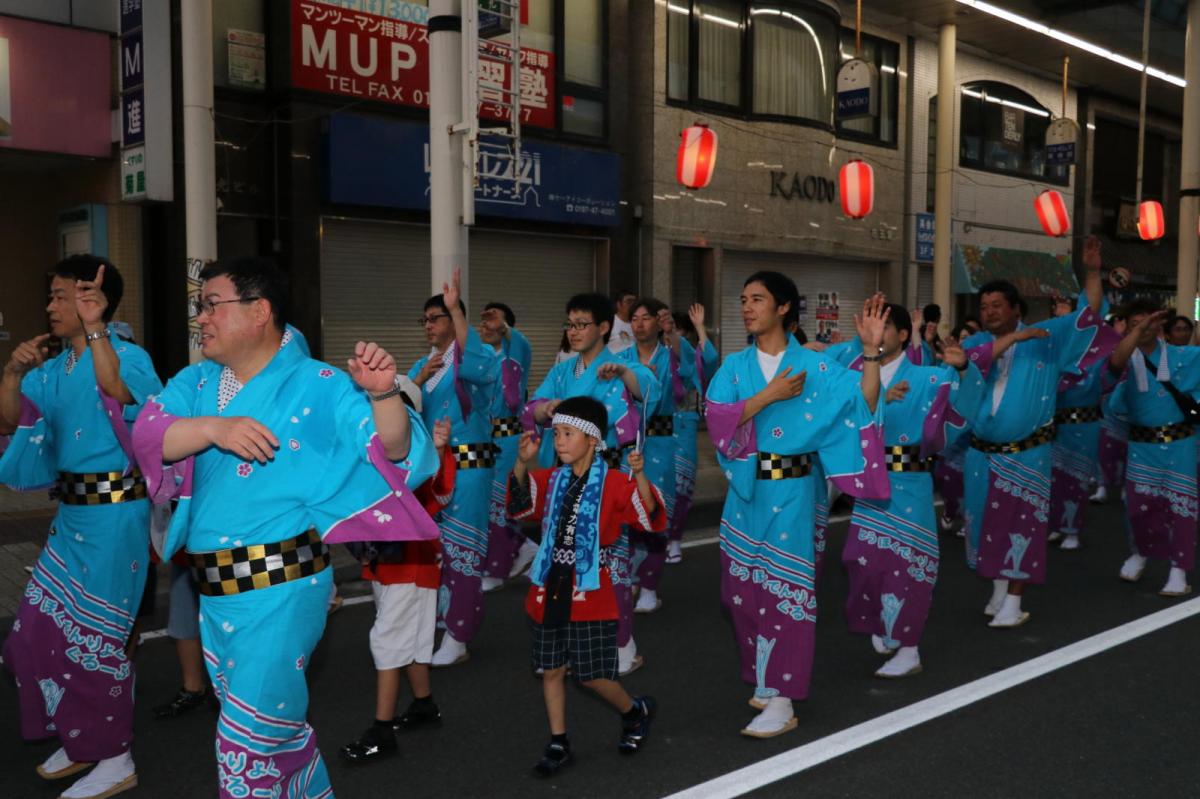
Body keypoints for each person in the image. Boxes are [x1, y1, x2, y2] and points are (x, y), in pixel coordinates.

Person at [132, 256, 439, 799]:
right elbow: (150, 436)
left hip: (282, 588)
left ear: (260, 312)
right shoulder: (196, 381)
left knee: (246, 746)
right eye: (200, 307)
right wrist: (214, 428)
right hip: (216, 594)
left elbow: (394, 452)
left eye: (212, 305)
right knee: (276, 734)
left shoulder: (319, 383)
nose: (201, 318)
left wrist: (383, 395)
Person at [0, 256, 161, 799]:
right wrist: (12, 374)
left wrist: (97, 333)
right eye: (51, 295)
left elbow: (126, 396)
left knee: (97, 641)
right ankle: (82, 737)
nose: (51, 305)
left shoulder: (128, 356)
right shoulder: (53, 369)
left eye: (61, 295)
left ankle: (115, 757)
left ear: (96, 301)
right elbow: (11, 420)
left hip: (115, 517)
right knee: (33, 634)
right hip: (71, 517)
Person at [705, 274, 891, 738]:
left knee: (784, 592)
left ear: (784, 307)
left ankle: (782, 698)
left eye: (758, 299)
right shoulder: (733, 367)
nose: (747, 307)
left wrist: (871, 353)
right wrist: (768, 396)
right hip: (744, 494)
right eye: (743, 299)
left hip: (793, 492)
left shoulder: (816, 366)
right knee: (738, 593)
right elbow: (717, 419)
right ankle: (766, 675)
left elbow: (862, 405)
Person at [824, 303, 985, 678]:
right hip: (869, 485)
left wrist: (964, 369)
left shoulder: (929, 377)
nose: (877, 335)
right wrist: (878, 398)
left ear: (901, 334)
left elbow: (964, 405)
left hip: (909, 482)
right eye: (872, 327)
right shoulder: (856, 374)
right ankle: (886, 623)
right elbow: (835, 418)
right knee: (861, 560)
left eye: (884, 327)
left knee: (906, 566)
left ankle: (909, 648)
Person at [507, 396, 663, 775]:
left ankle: (634, 710)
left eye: (568, 434)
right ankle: (558, 741)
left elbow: (650, 516)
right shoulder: (551, 479)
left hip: (590, 588)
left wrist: (640, 475)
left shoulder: (615, 483)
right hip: (550, 584)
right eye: (556, 433)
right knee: (551, 668)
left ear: (593, 439)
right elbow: (520, 505)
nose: (558, 441)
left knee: (592, 675)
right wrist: (522, 463)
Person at [959, 236, 1105, 628]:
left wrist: (1093, 273)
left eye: (996, 305)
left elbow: (1087, 315)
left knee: (1021, 524)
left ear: (1016, 309)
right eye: (983, 307)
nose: (989, 312)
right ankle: (998, 589)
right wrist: (1012, 339)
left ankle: (1014, 600)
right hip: (981, 453)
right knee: (983, 522)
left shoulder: (1046, 338)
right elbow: (968, 366)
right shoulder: (976, 343)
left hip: (1027, 453)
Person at [522, 292, 657, 675]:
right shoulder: (563, 370)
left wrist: (625, 374)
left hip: (604, 479)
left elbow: (649, 389)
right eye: (570, 324)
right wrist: (545, 409)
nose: (574, 331)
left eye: (582, 324)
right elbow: (534, 406)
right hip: (567, 480)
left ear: (603, 327)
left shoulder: (620, 363)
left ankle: (623, 643)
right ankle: (565, 640)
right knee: (562, 558)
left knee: (609, 562)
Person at [341, 406, 455, 764]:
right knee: (409, 637)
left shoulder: (417, 459)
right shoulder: (373, 457)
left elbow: (439, 492)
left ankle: (382, 730)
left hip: (411, 564)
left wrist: (438, 451)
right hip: (390, 565)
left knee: (388, 641)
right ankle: (424, 704)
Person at [408, 269, 501, 667]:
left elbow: (481, 367)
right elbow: (400, 413)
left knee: (463, 549)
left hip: (469, 466)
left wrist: (457, 310)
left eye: (437, 318)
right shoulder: (423, 364)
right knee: (436, 550)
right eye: (425, 319)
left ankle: (459, 635)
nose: (429, 325)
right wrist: (415, 381)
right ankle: (441, 619)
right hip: (433, 471)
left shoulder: (473, 360)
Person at [1107, 301, 1200, 595]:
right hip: (1141, 444)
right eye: (1136, 324)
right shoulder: (1123, 359)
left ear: (1159, 324)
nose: (1144, 328)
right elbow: (1111, 374)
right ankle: (1140, 551)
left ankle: (1179, 569)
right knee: (1139, 506)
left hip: (1179, 443)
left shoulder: (1183, 356)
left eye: (1148, 322)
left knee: (1181, 507)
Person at [1048, 296, 1121, 550]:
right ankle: (1055, 525)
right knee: (1053, 478)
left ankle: (1072, 529)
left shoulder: (1102, 355)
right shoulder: (1059, 351)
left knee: (1076, 479)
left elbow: (1110, 378)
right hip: (1055, 426)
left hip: (1085, 424)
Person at [478, 302, 537, 593]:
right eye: (484, 321)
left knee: (498, 505)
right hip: (483, 440)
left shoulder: (516, 355)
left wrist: (503, 328)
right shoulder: (481, 358)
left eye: (495, 322)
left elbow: (521, 343)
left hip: (508, 437)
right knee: (485, 503)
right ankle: (522, 545)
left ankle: (497, 569)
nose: (487, 326)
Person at [665, 305, 719, 565]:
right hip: (655, 426)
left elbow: (711, 359)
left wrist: (700, 328)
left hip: (684, 424)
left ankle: (674, 538)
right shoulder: (653, 353)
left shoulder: (688, 353)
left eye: (674, 329)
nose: (668, 334)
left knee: (681, 484)